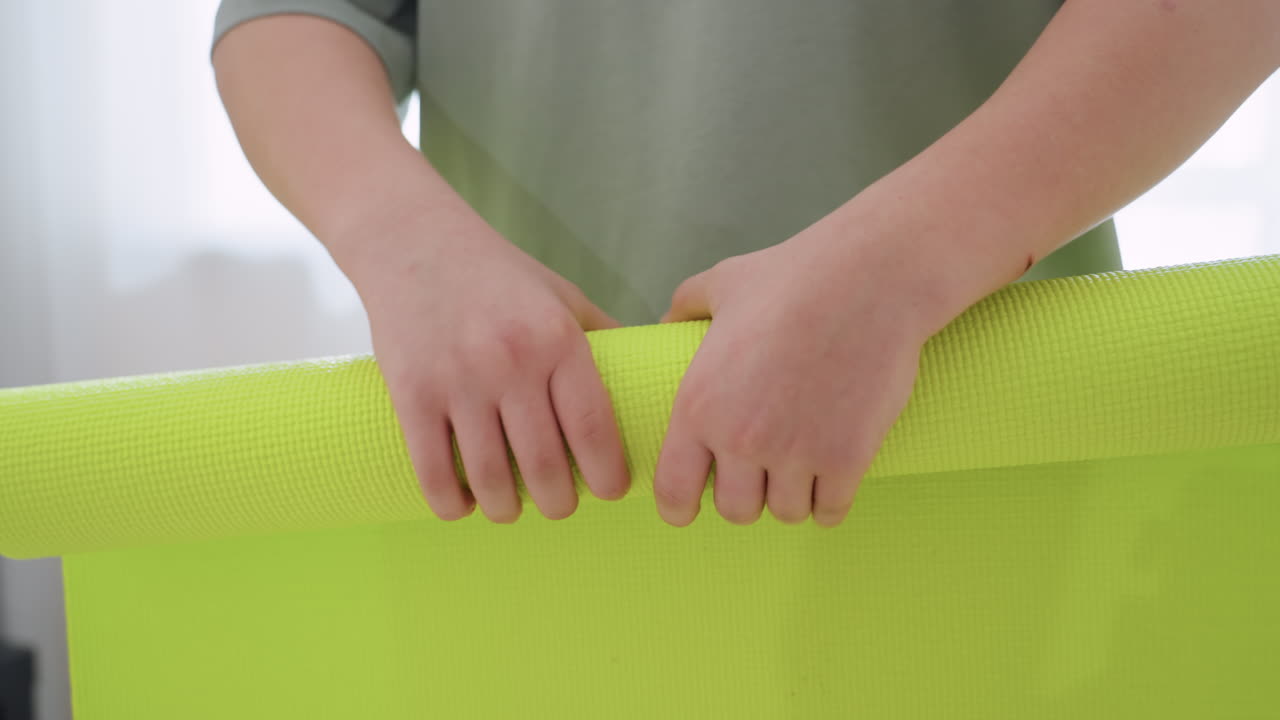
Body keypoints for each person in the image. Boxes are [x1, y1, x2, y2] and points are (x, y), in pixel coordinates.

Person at [211, 0, 1279, 529]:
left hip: (982, 461)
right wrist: (405, 244)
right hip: (527, 484)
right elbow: (291, 17)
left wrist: (906, 260)